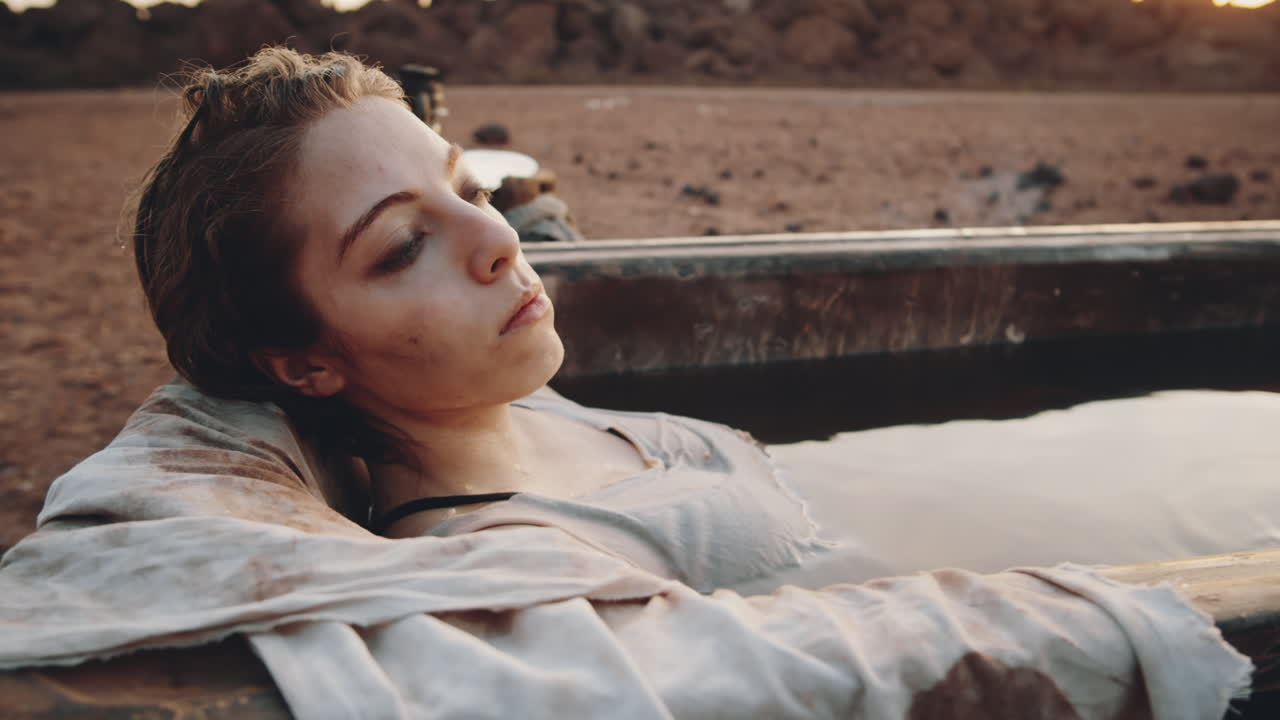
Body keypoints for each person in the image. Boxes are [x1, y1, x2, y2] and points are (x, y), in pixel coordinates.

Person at [0, 46, 1254, 718]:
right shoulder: (518, 544)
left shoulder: (513, 409)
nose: (497, 239)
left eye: (465, 187)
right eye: (400, 247)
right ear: (306, 362)